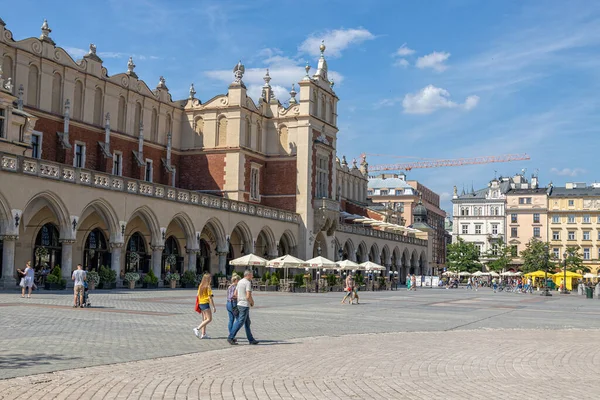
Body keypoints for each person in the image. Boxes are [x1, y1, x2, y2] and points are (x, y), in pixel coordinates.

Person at [228, 270, 258, 345]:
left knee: (247, 322)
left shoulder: (240, 281)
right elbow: (248, 296)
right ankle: (231, 337)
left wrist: (240, 297)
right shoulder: (248, 283)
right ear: (248, 275)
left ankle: (251, 339)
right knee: (240, 321)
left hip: (239, 303)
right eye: (251, 275)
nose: (252, 276)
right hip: (244, 304)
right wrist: (252, 302)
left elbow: (235, 294)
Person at [194, 273, 216, 339]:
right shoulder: (208, 286)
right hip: (205, 303)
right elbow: (210, 297)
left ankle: (203, 334)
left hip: (201, 303)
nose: (211, 279)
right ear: (208, 279)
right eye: (210, 278)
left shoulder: (200, 286)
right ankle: (197, 329)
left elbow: (197, 295)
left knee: (204, 319)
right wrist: (213, 306)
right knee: (209, 319)